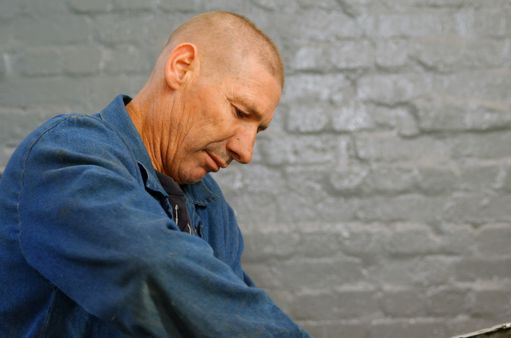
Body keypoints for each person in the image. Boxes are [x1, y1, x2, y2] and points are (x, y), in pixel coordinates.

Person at [0, 11, 310, 337]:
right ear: (181, 68)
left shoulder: (210, 206)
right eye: (239, 112)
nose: (245, 151)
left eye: (257, 129)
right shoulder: (64, 156)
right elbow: (150, 267)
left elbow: (229, 309)